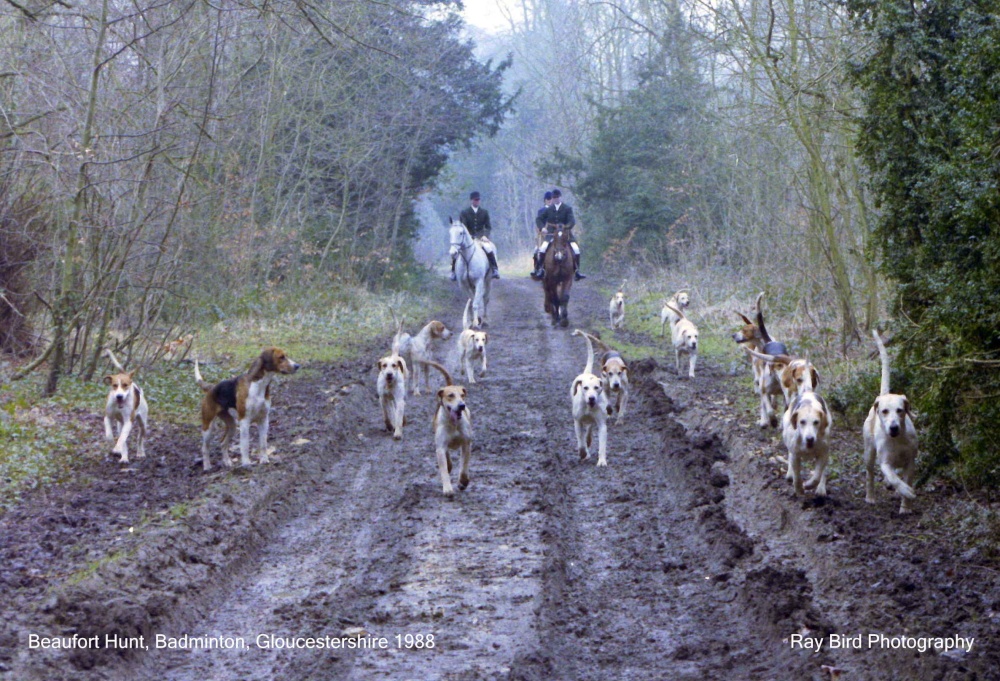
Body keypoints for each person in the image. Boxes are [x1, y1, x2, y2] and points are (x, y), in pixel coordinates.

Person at [531, 189, 585, 281]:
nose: (556, 199)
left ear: (560, 197)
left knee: (576, 249)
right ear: (552, 198)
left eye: (557, 197)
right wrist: (542, 228)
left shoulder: (567, 208)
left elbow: (572, 221)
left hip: (565, 233)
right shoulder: (549, 209)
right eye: (554, 198)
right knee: (543, 248)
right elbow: (539, 219)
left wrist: (566, 227)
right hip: (551, 233)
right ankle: (541, 269)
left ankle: (577, 271)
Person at [452, 191, 500, 280]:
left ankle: (494, 269)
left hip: (481, 238)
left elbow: (488, 227)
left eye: (478, 200)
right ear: (471, 200)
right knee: (456, 251)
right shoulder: (464, 213)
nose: (477, 201)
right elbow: (463, 227)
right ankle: (454, 272)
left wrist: (485, 235)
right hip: (468, 239)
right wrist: (468, 236)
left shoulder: (484, 212)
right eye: (475, 200)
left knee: (489, 249)